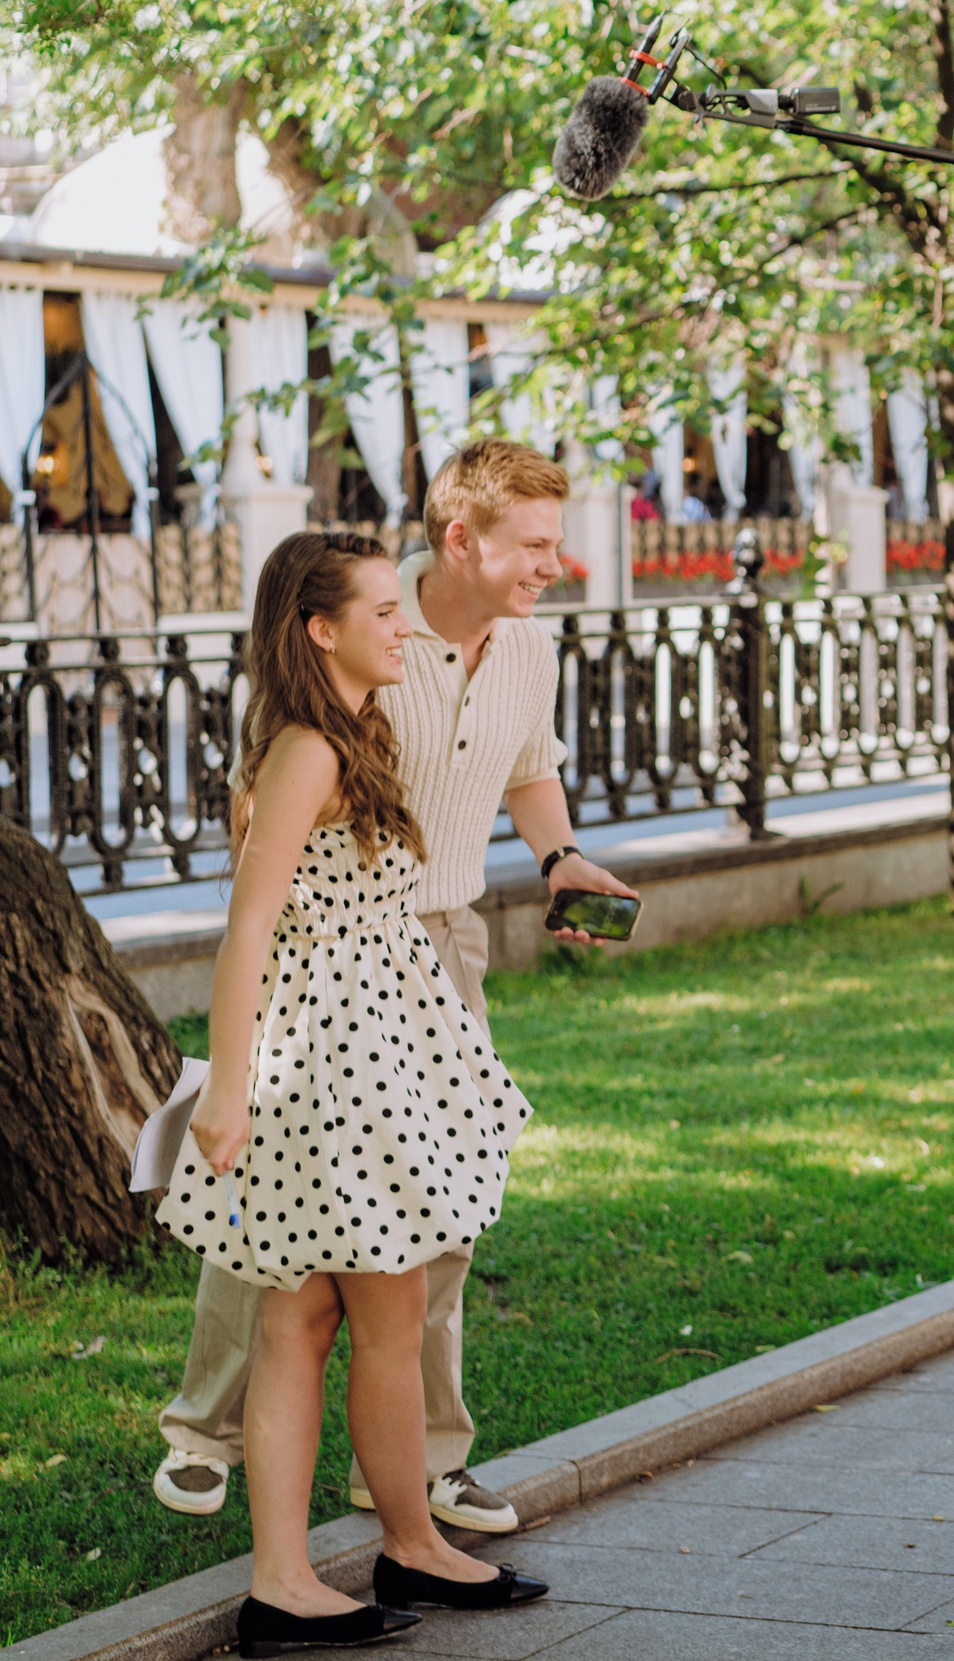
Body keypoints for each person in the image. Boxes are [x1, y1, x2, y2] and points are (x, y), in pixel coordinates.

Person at [152, 439, 638, 1531]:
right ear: (461, 540)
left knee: (437, 1216)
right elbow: (275, 784)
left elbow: (531, 768)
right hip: (323, 949)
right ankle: (205, 1428)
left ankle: (424, 1459)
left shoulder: (525, 651)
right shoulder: (363, 626)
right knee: (279, 1199)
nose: (554, 565)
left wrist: (561, 861)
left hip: (441, 944)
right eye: (537, 544)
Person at [160, 531, 549, 1655]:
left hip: (370, 1036)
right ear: (320, 629)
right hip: (335, 1056)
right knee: (365, 1310)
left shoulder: (351, 731)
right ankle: (380, 1551)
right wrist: (227, 1090)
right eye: (381, 610)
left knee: (316, 1314)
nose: (401, 625)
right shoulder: (309, 754)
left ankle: (326, 1567)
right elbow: (246, 925)